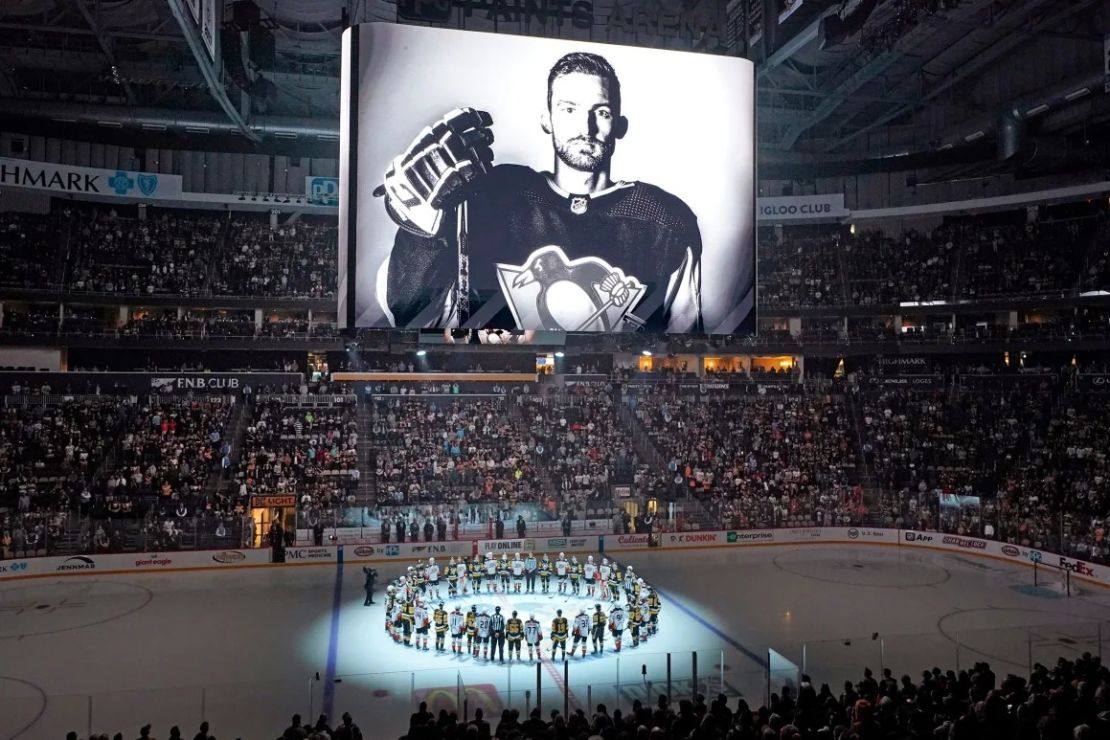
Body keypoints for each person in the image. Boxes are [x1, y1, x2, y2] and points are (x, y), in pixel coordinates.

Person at [376, 52, 703, 333]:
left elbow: (684, 336)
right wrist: (419, 232)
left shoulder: (664, 220)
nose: (585, 127)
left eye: (600, 112)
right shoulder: (493, 195)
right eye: (569, 109)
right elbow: (410, 315)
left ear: (619, 125)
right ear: (547, 119)